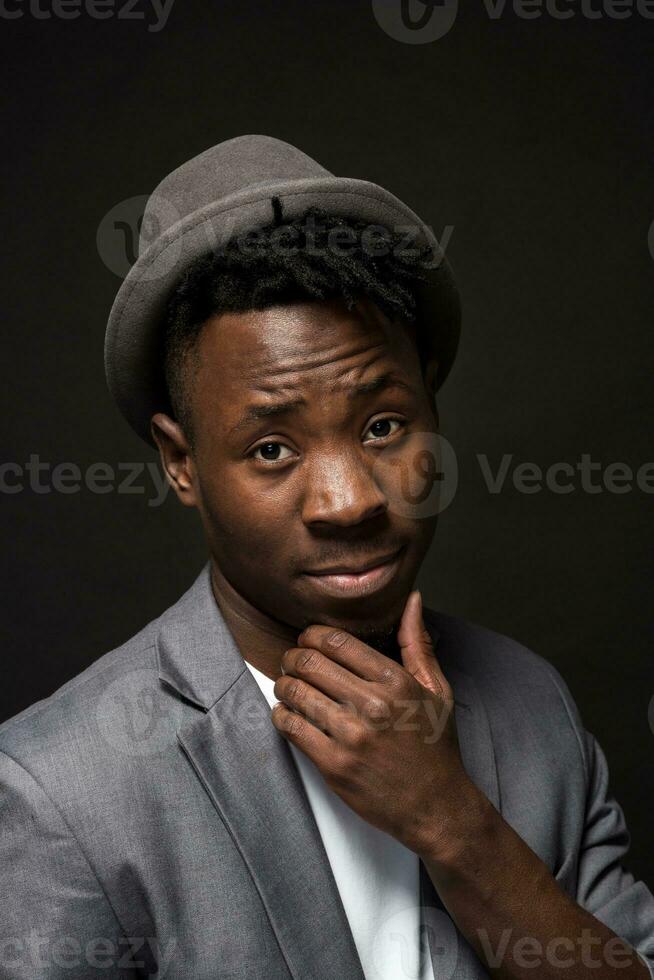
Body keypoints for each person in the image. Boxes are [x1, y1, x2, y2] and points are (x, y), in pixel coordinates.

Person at [1, 135, 652, 980]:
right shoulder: (61, 791)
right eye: (272, 448)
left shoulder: (534, 710)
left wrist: (457, 826)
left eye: (383, 426)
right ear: (181, 463)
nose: (350, 501)